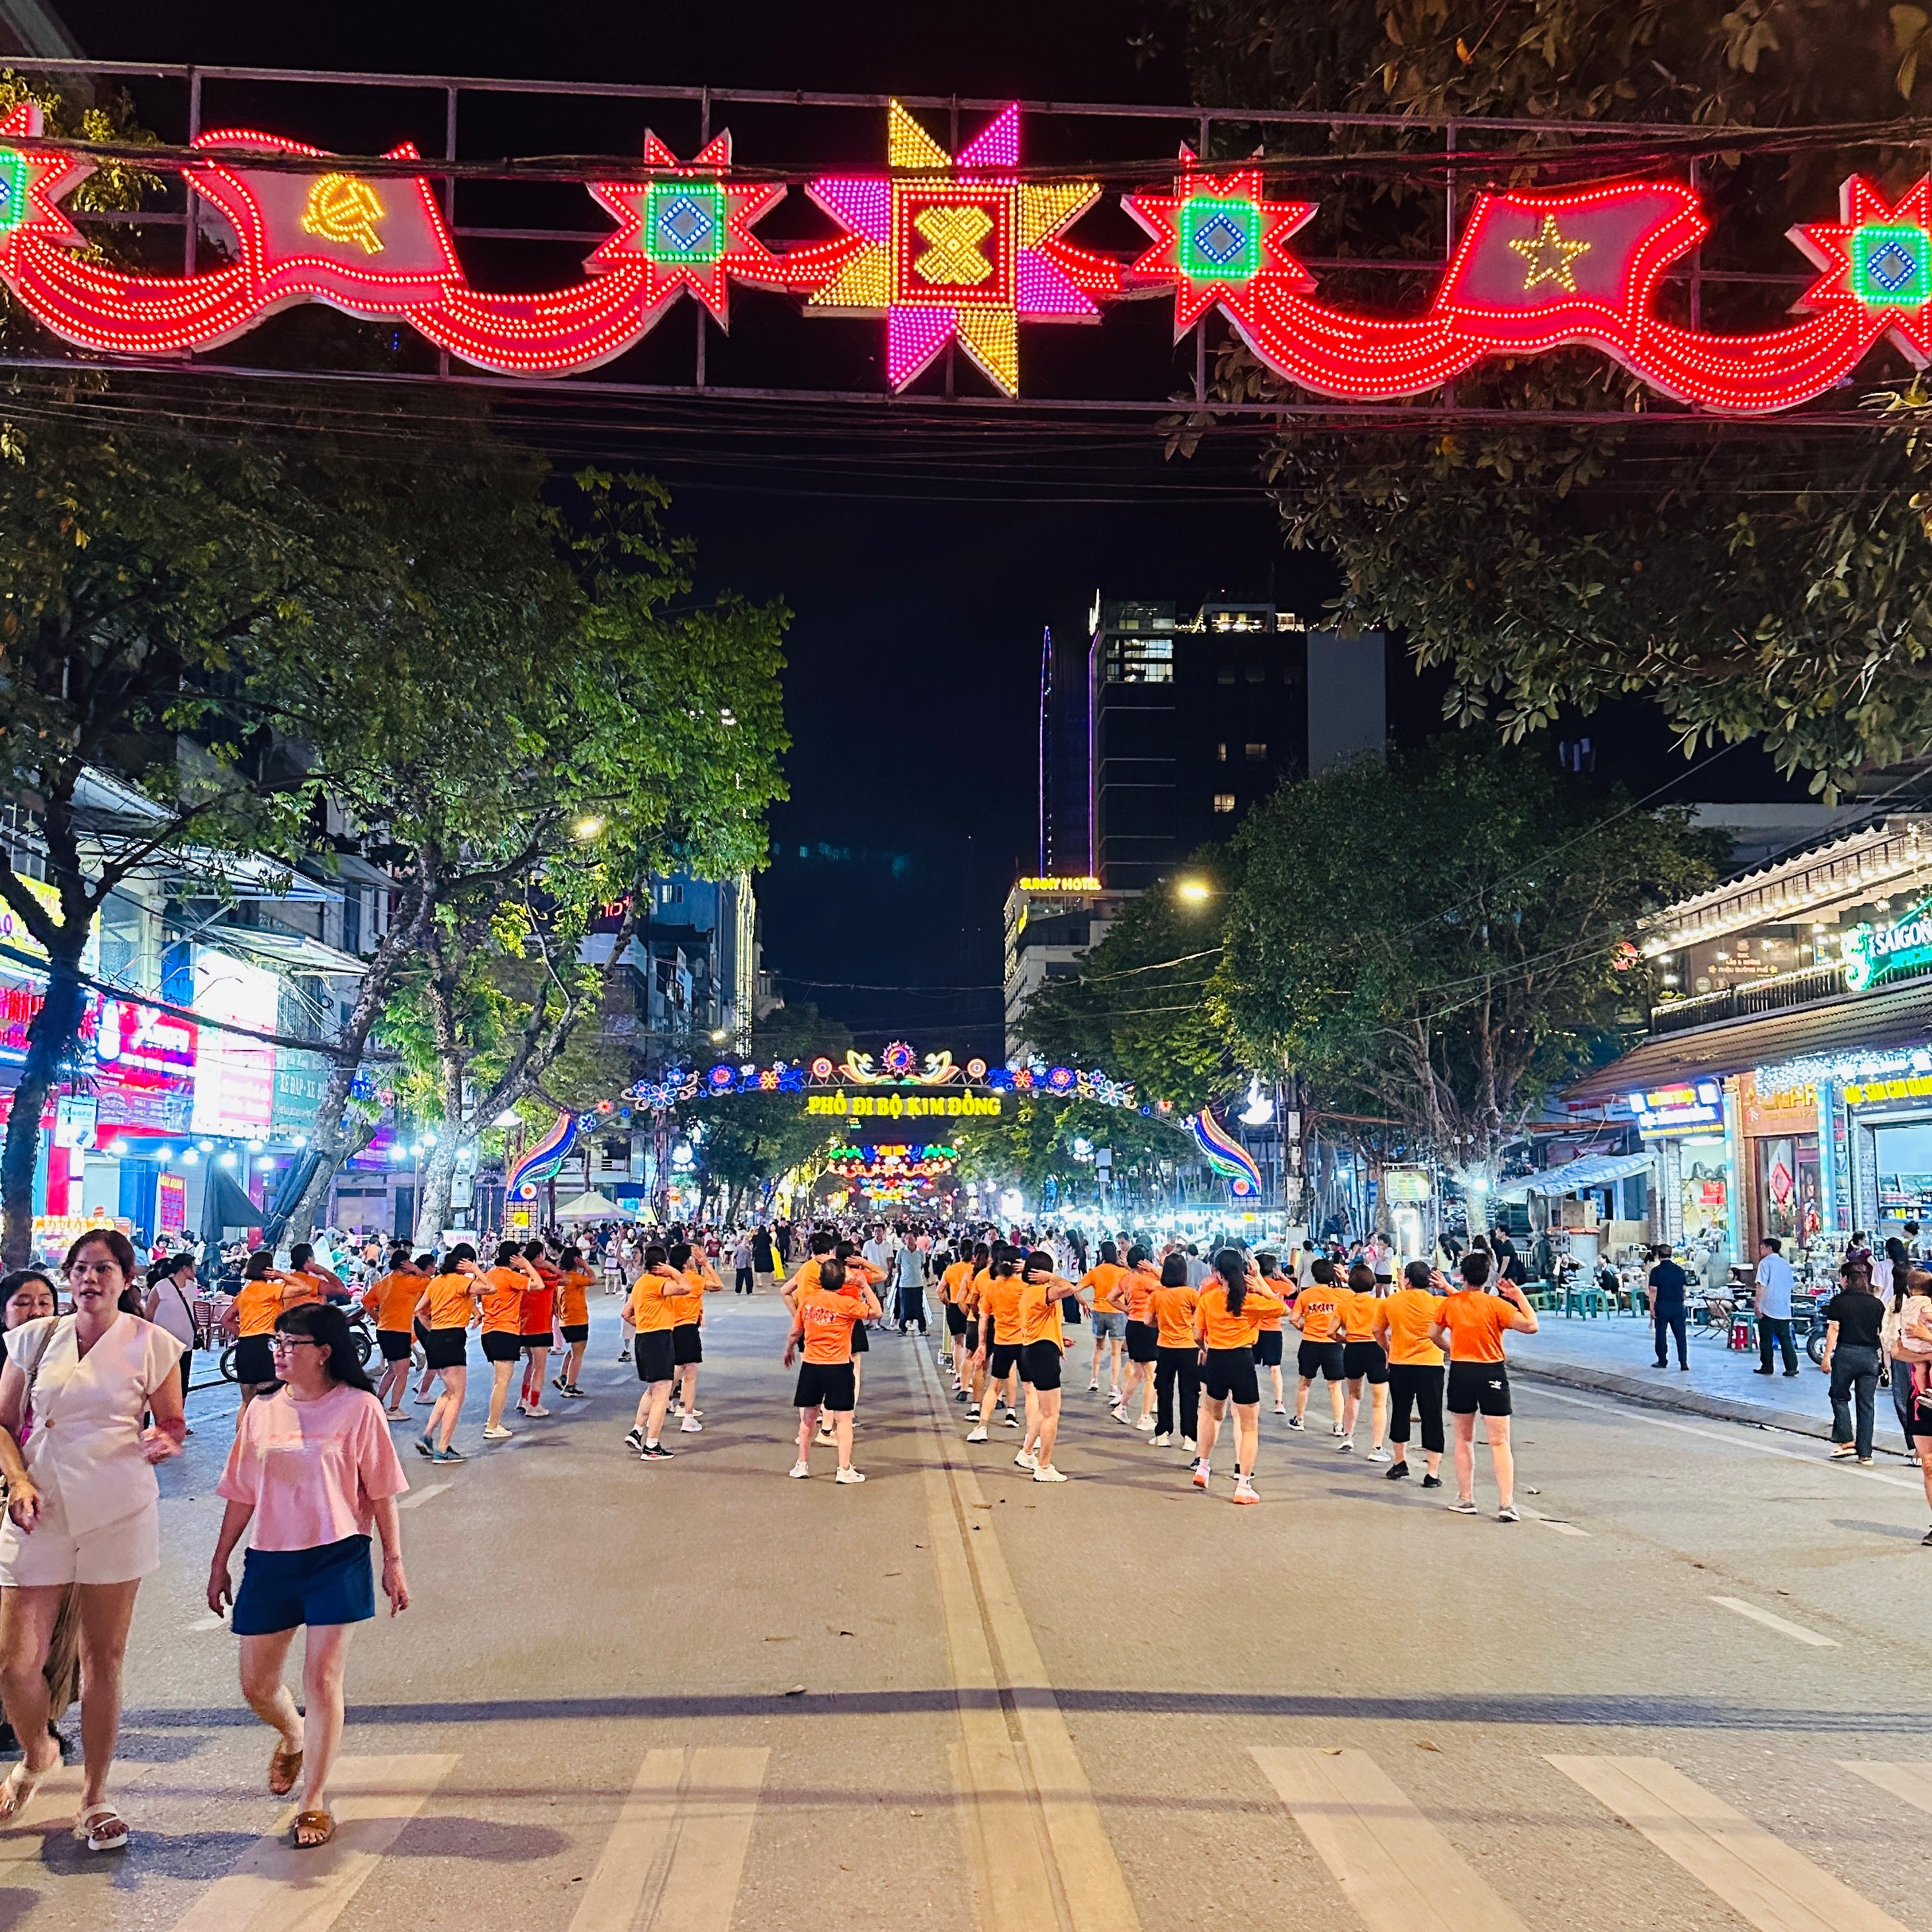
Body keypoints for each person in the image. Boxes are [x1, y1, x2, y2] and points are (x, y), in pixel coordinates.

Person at [0, 1229, 184, 1851]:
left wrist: (166, 1440)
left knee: (102, 1658)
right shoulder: (34, 1338)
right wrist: (19, 1479)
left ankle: (96, 1798)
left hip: (118, 1506)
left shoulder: (152, 1344)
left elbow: (173, 1420)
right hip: (39, 1508)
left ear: (126, 1278)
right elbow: (2, 1424)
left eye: (104, 1269)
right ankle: (36, 1751)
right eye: (80, 1268)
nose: (90, 1279)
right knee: (14, 1662)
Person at [208, 1303, 410, 1849]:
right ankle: (293, 1733)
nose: (279, 1350)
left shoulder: (359, 1408)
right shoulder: (261, 1411)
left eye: (292, 1342)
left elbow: (381, 1489)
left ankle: (313, 1800)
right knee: (256, 1686)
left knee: (323, 1679)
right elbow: (241, 1493)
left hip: (338, 1556)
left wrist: (393, 1561)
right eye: (277, 1340)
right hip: (271, 1558)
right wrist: (219, 1560)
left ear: (323, 1352)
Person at [0, 1272, 77, 1761]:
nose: (35, 1311)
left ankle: (41, 1717)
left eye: (45, 1301)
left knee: (57, 1624)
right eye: (22, 1302)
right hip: (14, 1497)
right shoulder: (8, 1365)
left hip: (60, 1505)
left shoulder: (71, 1362)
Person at [1430, 1249, 1539, 1522]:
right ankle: (1506, 1503)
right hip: (1492, 1372)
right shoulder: (1496, 1306)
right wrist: (1518, 1296)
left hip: (1461, 1371)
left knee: (1463, 1438)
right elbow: (1531, 1325)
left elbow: (1432, 1334)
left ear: (1462, 1276)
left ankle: (1466, 1498)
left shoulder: (1450, 1304)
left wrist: (1453, 1349)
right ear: (1487, 1277)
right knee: (1500, 1442)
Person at [1191, 1249, 1284, 1503]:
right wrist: (1262, 1284)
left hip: (1216, 1359)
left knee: (1211, 1413)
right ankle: (1243, 1485)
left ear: (1218, 1274)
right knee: (1249, 1426)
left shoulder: (1208, 1300)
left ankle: (1203, 1466)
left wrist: (1205, 1349)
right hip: (1242, 1361)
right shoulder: (1250, 1301)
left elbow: (1198, 1335)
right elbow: (1281, 1309)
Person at [785, 1256, 877, 1483]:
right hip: (838, 1366)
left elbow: (796, 1331)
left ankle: (802, 1464)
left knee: (808, 1418)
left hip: (812, 1365)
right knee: (843, 1419)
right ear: (843, 1281)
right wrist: (863, 1285)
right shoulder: (847, 1303)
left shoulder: (808, 1302)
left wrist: (788, 1350)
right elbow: (876, 1311)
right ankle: (844, 1469)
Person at [1376, 1260, 1447, 1487]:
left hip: (1400, 1364)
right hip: (1431, 1366)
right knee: (1432, 1415)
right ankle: (1432, 1473)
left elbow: (1377, 1330)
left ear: (1406, 1280)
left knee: (1400, 1411)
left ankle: (1400, 1462)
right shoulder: (1438, 1303)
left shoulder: (1391, 1301)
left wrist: (1389, 1349)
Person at [1014, 1250, 1081, 1483]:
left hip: (1035, 1348)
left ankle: (1026, 1452)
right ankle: (1044, 1466)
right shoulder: (1040, 1292)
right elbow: (1071, 1288)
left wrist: (1059, 1338)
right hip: (1042, 1353)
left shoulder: (1028, 1294)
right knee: (1052, 1414)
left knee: (1044, 1411)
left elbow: (1041, 1323)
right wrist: (1051, 1277)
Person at [623, 1246, 694, 1462]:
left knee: (653, 1390)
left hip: (643, 1338)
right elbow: (686, 1287)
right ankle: (652, 1446)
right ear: (661, 1265)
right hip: (658, 1339)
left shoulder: (641, 1284)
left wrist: (644, 1323)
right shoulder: (657, 1283)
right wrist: (673, 1272)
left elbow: (626, 1313)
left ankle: (637, 1431)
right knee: (663, 1395)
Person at [412, 1245, 482, 1463]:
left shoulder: (437, 1281)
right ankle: (442, 1450)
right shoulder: (461, 1281)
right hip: (452, 1338)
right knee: (457, 1396)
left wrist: (433, 1328)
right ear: (466, 1262)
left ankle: (427, 1436)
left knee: (450, 1392)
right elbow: (490, 1288)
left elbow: (419, 1310)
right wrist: (476, 1270)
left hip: (437, 1338)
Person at [1820, 1257, 1885, 1466]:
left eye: (1841, 1277)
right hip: (1869, 1357)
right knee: (1867, 1404)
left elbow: (1834, 1329)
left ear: (1847, 1279)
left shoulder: (1839, 1301)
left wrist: (1826, 1357)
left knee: (1839, 1396)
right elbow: (1881, 1334)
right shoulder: (1877, 1304)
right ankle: (1865, 1453)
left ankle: (1847, 1440)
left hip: (1846, 1354)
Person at [476, 1243, 542, 1444]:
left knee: (499, 1381)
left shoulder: (491, 1274)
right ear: (514, 1258)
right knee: (502, 1382)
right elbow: (538, 1285)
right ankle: (493, 1426)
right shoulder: (511, 1276)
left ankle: (493, 1419)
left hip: (489, 1332)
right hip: (506, 1331)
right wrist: (528, 1266)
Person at [967, 1249, 1026, 1444]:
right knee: (1031, 1389)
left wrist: (982, 1344)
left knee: (994, 1385)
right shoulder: (1025, 1286)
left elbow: (983, 1317)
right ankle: (1032, 1435)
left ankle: (982, 1427)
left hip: (1002, 1342)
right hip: (1025, 1342)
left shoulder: (991, 1287)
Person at [360, 1246, 425, 1420]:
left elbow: (366, 1301)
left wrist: (377, 1318)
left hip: (384, 1330)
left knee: (393, 1369)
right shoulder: (408, 1282)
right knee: (402, 1371)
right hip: (399, 1331)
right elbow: (431, 1282)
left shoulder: (385, 1282)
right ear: (405, 1265)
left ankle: (378, 1401)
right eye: (409, 1262)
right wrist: (417, 1270)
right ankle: (394, 1409)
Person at [1336, 1264, 1391, 1460]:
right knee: (1379, 1403)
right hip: (1375, 1350)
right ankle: (1376, 1448)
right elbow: (1386, 1329)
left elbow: (1330, 1332)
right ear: (1373, 1282)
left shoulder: (1344, 1305)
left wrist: (1345, 1339)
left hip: (1353, 1350)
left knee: (1353, 1395)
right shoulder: (1379, 1304)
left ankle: (1347, 1437)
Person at [1287, 1258, 1347, 1435]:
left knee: (1304, 1383)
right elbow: (1362, 1291)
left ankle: (1299, 1419)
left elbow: (1293, 1318)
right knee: (1335, 1386)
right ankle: (1338, 1425)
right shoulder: (1341, 1295)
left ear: (1313, 1275)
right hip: (1333, 1345)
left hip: (1310, 1343)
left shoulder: (1306, 1295)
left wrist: (1303, 1328)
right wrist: (1345, 1278)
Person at [1149, 1254, 1201, 1452]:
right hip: (1188, 1348)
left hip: (1164, 1347)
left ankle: (1162, 1433)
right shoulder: (1191, 1294)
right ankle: (1190, 1437)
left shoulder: (1157, 1294)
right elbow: (1200, 1319)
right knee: (1189, 1392)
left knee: (1164, 1390)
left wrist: (1162, 1324)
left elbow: (1147, 1320)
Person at [140, 1253, 200, 1425]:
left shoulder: (191, 1287)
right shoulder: (161, 1286)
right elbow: (149, 1315)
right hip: (162, 1347)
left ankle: (177, 1422)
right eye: (193, 1266)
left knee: (182, 1384)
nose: (196, 1270)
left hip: (185, 1345)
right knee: (159, 1384)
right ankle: (159, 1422)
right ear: (185, 1268)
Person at [1116, 1243, 1160, 1432]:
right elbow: (1169, 1286)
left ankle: (1122, 1407)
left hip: (1132, 1326)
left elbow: (1110, 1298)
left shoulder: (1126, 1280)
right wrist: (1155, 1270)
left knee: (1139, 1372)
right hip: (1146, 1327)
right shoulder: (1145, 1280)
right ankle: (1144, 1416)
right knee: (1152, 1374)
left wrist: (1128, 1309)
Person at [515, 1240, 559, 1421]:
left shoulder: (521, 1275)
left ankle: (524, 1398)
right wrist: (549, 1264)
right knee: (539, 1367)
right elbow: (563, 1277)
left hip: (524, 1326)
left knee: (531, 1364)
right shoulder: (544, 1275)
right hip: (540, 1326)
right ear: (540, 1255)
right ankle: (534, 1404)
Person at [1081, 1241, 1128, 1401]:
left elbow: (1077, 1289)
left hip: (1098, 1311)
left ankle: (1094, 1380)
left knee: (1098, 1347)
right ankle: (1114, 1387)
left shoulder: (1095, 1271)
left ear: (1101, 1253)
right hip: (1116, 1312)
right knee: (1116, 1353)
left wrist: (1083, 1303)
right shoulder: (1122, 1272)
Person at [1752, 1236, 1800, 1376]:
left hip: (1768, 1306)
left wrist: (1757, 1304)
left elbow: (1761, 1285)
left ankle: (1767, 1365)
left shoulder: (1765, 1263)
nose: (1760, 1249)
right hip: (1783, 1306)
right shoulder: (1785, 1264)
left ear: (1769, 1248)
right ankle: (1791, 1366)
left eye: (1762, 1247)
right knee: (1785, 1338)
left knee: (1766, 1339)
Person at [1250, 1251, 1290, 1415]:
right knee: (1275, 1368)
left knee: (1249, 1367)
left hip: (1256, 1329)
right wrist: (1281, 1276)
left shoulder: (1252, 1284)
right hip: (1274, 1330)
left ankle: (1248, 1399)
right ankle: (1279, 1402)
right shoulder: (1280, 1286)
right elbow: (1293, 1287)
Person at [553, 1247, 595, 1397]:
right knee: (578, 1354)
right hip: (577, 1319)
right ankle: (569, 1386)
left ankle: (563, 1376)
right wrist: (586, 1266)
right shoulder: (574, 1277)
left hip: (565, 1320)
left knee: (573, 1350)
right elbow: (592, 1280)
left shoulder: (560, 1278)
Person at [1646, 1243, 1690, 1371]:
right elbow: (1684, 1289)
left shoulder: (1656, 1271)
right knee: (1681, 1335)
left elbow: (1653, 1291)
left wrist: (1652, 1308)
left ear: (1659, 1256)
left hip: (1662, 1306)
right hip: (1677, 1306)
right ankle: (1683, 1362)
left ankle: (1662, 1360)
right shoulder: (1679, 1270)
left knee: (1661, 1334)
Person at [893, 1239, 927, 1335]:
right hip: (904, 1284)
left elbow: (922, 1265)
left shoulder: (920, 1252)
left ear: (915, 1239)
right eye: (907, 1238)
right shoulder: (901, 1251)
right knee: (904, 1309)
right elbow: (898, 1265)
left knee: (919, 1308)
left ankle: (922, 1329)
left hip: (918, 1284)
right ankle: (902, 1329)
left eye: (911, 1238)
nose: (909, 1240)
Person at [732, 1231, 755, 1296]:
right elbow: (733, 1255)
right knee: (739, 1279)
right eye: (745, 1239)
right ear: (742, 1240)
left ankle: (749, 1291)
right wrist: (733, 1263)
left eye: (747, 1239)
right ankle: (738, 1291)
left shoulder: (748, 1248)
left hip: (748, 1265)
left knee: (749, 1279)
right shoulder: (738, 1248)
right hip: (740, 1265)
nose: (746, 1241)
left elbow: (751, 1256)